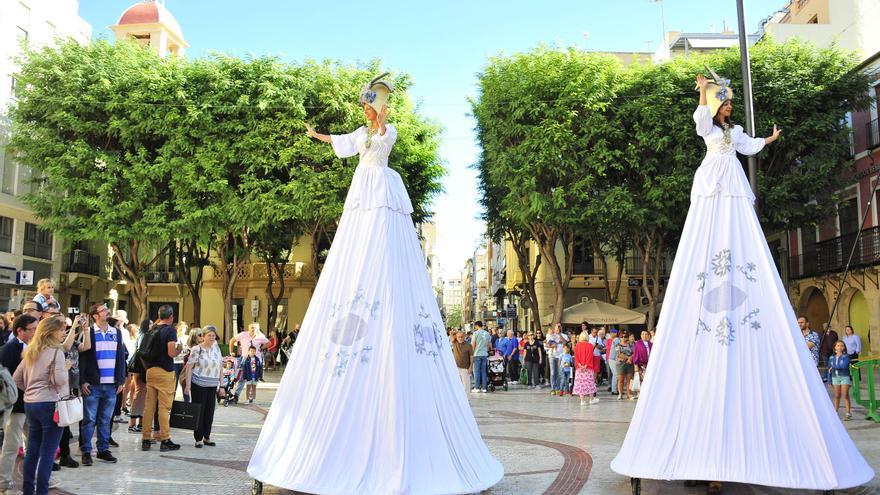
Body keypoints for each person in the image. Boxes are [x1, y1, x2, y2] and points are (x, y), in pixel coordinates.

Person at [612, 70, 873, 491]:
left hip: (731, 182)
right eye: (725, 104)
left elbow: (748, 145)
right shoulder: (709, 128)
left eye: (729, 104)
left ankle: (715, 470)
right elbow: (699, 122)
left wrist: (768, 141)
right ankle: (698, 469)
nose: (729, 109)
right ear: (716, 107)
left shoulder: (734, 134)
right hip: (713, 181)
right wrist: (701, 92)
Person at [247, 74, 502, 493]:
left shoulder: (386, 131)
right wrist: (316, 134)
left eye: (372, 108)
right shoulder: (361, 133)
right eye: (366, 109)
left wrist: (381, 110)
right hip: (362, 193)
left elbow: (383, 133)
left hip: (381, 187)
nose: (369, 114)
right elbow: (342, 141)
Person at [12, 317, 68, 495]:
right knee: (48, 452)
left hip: (31, 404)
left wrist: (30, 389)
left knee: (32, 450)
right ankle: (42, 491)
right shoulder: (55, 352)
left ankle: (29, 490)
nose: (63, 333)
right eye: (61, 330)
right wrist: (65, 369)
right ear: (51, 332)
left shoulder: (31, 351)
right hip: (50, 404)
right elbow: (60, 380)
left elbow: (16, 379)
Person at [78, 303, 127, 465]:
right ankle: (86, 451)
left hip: (112, 384)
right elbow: (83, 358)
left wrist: (121, 379)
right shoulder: (89, 332)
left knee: (106, 419)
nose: (107, 312)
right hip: (93, 384)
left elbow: (121, 357)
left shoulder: (116, 332)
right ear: (95, 316)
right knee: (89, 420)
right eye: (103, 310)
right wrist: (82, 380)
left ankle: (103, 450)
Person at [0, 315, 39, 491]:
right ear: (20, 331)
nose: (35, 332)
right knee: (11, 445)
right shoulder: (9, 349)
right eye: (31, 329)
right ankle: (3, 480)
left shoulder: (38, 347)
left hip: (32, 403)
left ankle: (35, 476)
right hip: (16, 406)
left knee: (34, 443)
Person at [141, 305, 182, 452]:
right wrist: (179, 350)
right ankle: (165, 439)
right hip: (165, 371)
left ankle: (145, 439)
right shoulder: (170, 331)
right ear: (171, 316)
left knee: (149, 407)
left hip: (150, 371)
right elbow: (171, 353)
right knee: (164, 408)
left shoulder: (152, 329)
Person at [183, 325, 222, 447]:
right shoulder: (197, 349)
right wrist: (187, 385)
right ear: (203, 336)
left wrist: (222, 386)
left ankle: (207, 437)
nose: (211, 337)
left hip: (212, 384)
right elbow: (189, 367)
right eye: (209, 335)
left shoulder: (216, 348)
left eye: (213, 335)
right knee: (199, 411)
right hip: (198, 384)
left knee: (209, 412)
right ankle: (198, 438)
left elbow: (220, 367)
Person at [229, 323, 269, 402]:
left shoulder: (260, 336)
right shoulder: (243, 334)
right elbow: (232, 340)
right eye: (251, 327)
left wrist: (260, 348)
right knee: (242, 378)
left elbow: (268, 343)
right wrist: (231, 352)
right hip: (245, 359)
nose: (253, 329)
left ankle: (250, 397)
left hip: (255, 360)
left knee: (253, 379)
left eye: (255, 328)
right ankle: (236, 395)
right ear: (248, 328)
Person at [827, 340, 852, 421]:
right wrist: (829, 381)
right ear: (835, 347)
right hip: (835, 378)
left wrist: (833, 367)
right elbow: (829, 370)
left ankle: (848, 413)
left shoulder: (846, 356)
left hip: (844, 377)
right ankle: (835, 412)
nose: (840, 347)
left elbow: (844, 366)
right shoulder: (831, 357)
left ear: (844, 347)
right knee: (837, 396)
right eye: (838, 345)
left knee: (845, 395)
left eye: (842, 345)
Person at [573, 331, 598, 405]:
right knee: (590, 383)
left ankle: (582, 401)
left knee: (581, 384)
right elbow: (590, 357)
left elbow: (576, 357)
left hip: (579, 368)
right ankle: (591, 399)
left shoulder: (577, 346)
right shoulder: (590, 346)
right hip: (588, 368)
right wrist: (586, 365)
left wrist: (580, 365)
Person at [471, 321, 491, 393]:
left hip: (477, 354)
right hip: (484, 354)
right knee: (483, 371)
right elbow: (489, 345)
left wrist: (471, 354)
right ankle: (484, 388)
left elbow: (473, 344)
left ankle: (477, 387)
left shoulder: (475, 333)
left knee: (476, 371)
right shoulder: (487, 333)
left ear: (476, 326)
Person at [631, 330, 652, 396]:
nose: (644, 336)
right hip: (641, 365)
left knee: (648, 379)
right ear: (640, 336)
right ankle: (640, 393)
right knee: (641, 378)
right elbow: (635, 355)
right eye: (642, 334)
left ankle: (647, 392)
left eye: (646, 334)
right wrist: (635, 365)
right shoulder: (638, 344)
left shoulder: (650, 344)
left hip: (649, 364)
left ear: (648, 336)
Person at [616, 332, 635, 401]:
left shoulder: (631, 345)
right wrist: (628, 358)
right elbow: (619, 354)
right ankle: (620, 394)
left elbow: (634, 353)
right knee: (620, 380)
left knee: (628, 380)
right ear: (620, 338)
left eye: (625, 336)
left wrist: (630, 358)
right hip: (621, 364)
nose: (624, 338)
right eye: (622, 337)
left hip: (629, 363)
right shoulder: (617, 345)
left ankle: (628, 394)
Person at [607, 328, 620, 395]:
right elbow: (617, 349)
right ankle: (614, 390)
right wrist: (618, 357)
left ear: (616, 333)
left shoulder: (615, 339)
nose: (612, 334)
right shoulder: (616, 339)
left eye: (613, 332)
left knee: (616, 375)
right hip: (613, 359)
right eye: (611, 333)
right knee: (616, 374)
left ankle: (616, 389)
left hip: (612, 359)